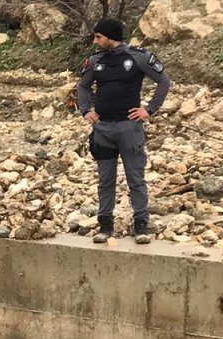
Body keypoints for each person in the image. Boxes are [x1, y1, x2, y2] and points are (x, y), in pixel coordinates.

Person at [76, 17, 170, 245]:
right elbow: (83, 86)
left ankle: (141, 226)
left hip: (129, 128)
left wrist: (149, 109)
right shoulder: (95, 61)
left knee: (135, 178)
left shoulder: (138, 57)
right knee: (105, 180)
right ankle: (105, 226)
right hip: (103, 128)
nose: (95, 41)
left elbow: (164, 81)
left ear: (111, 37)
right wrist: (86, 110)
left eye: (98, 37)